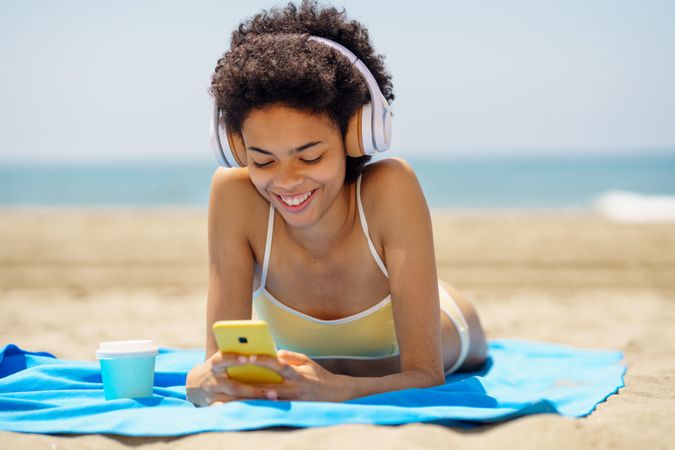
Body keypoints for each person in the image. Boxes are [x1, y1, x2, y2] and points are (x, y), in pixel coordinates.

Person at [186, 0, 487, 406]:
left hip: (452, 326)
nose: (287, 181)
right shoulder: (234, 194)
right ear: (236, 147)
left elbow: (426, 376)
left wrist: (333, 388)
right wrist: (202, 382)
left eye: (310, 157)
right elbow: (218, 366)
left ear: (355, 137)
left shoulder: (391, 187)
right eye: (262, 160)